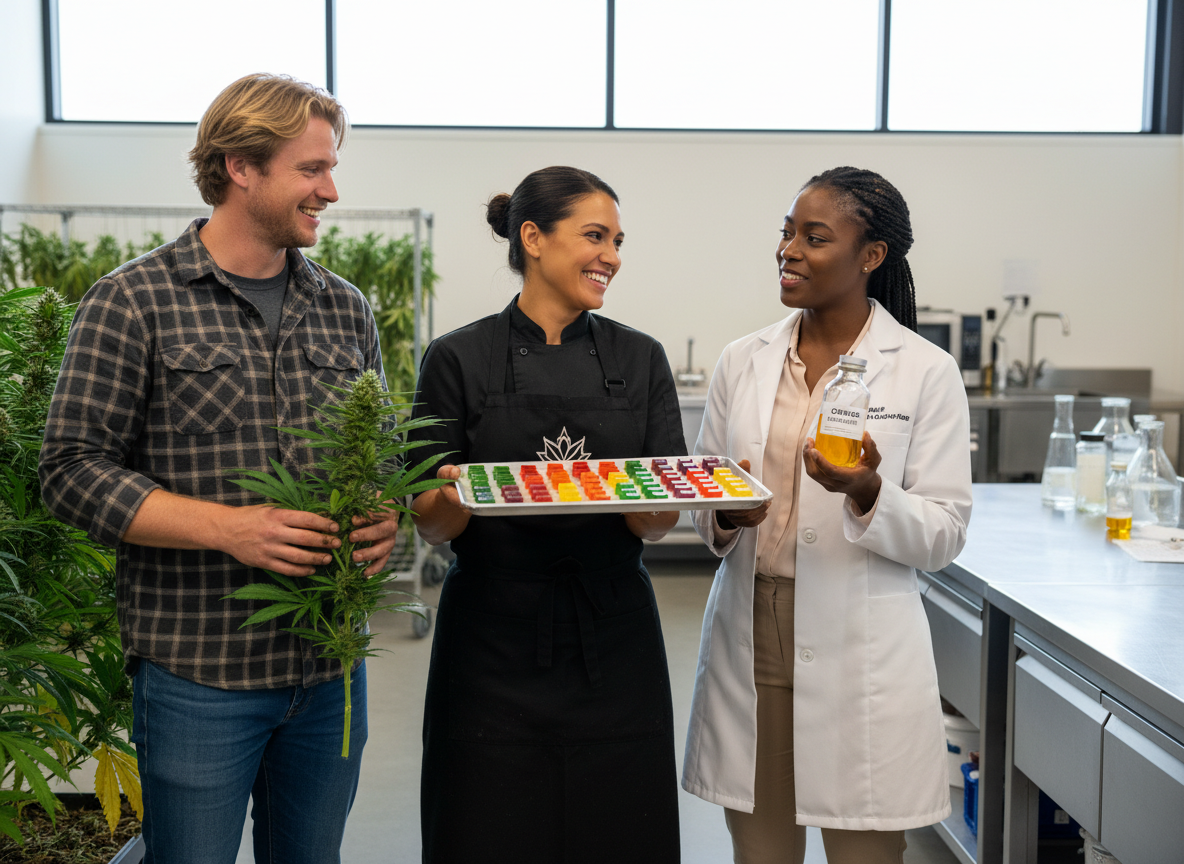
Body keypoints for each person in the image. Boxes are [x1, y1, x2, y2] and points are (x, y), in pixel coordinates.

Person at [39, 74, 396, 864]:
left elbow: (382, 454)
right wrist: (230, 530)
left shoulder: (346, 308)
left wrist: (383, 515)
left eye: (330, 169)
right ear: (240, 166)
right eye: (311, 170)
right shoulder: (133, 301)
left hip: (328, 666)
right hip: (200, 671)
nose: (330, 191)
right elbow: (69, 468)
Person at [681, 167, 973, 864]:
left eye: (814, 237)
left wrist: (870, 490)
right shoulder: (741, 362)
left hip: (860, 648)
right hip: (752, 637)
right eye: (786, 233)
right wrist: (725, 512)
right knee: (761, 852)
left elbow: (944, 532)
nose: (789, 250)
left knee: (865, 853)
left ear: (869, 256)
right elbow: (703, 502)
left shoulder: (923, 371)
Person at [409, 166, 684, 863]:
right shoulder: (457, 359)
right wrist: (454, 494)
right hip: (493, 635)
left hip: (612, 628)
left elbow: (656, 522)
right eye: (595, 236)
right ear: (533, 237)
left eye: (618, 240)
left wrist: (658, 502)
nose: (612, 256)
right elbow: (432, 523)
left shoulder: (641, 359)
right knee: (486, 827)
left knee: (620, 828)